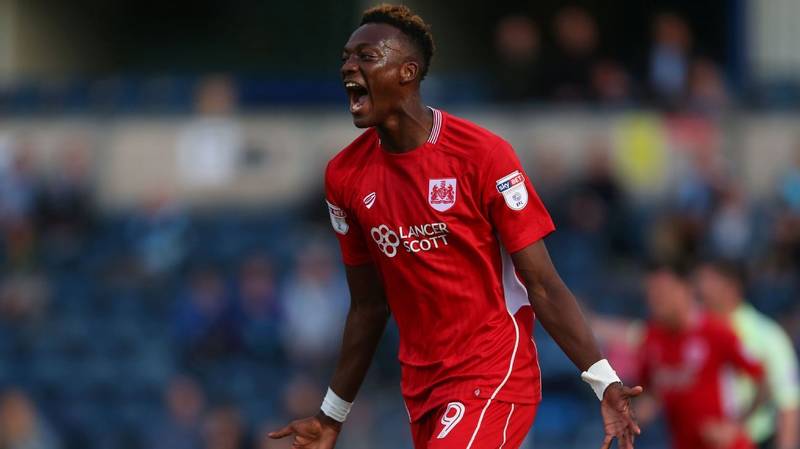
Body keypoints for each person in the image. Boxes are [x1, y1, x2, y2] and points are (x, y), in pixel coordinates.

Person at [269, 5, 641, 449]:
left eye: (365, 56)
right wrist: (332, 416)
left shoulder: (482, 156)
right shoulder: (344, 177)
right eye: (346, 57)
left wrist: (603, 379)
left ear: (407, 72)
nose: (348, 66)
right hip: (423, 390)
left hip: (494, 373)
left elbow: (541, 283)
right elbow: (368, 307)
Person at [638, 261, 768, 449]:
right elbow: (651, 391)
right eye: (651, 296)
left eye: (662, 294)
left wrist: (736, 425)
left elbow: (762, 378)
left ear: (684, 290)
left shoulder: (716, 331)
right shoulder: (651, 337)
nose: (655, 302)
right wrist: (642, 410)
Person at [696, 259, 800, 449]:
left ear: (731, 286)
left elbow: (788, 403)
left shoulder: (767, 336)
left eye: (708, 281)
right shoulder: (689, 333)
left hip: (752, 441)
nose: (700, 289)